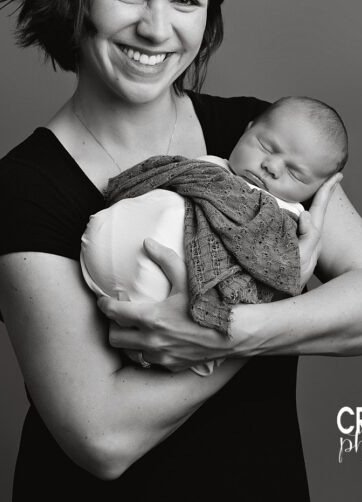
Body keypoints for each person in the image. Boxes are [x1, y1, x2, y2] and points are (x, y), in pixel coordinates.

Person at [0, 0, 362, 502]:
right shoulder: (23, 187)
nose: (157, 29)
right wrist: (274, 293)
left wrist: (238, 327)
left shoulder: (260, 140)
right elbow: (102, 437)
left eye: (186, 0)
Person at [79, 96, 348, 376]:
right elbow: (161, 173)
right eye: (265, 146)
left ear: (317, 189)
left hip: (166, 305)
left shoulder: (285, 217)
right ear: (247, 129)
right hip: (97, 266)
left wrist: (288, 267)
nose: (272, 166)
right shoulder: (209, 166)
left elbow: (268, 269)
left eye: (295, 173)